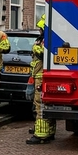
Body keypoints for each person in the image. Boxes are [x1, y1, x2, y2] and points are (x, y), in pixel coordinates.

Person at [26, 15, 56, 145]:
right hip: (39, 75)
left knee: (40, 105)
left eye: (40, 28)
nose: (39, 31)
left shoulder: (45, 42)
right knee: (47, 104)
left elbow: (45, 55)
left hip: (41, 76)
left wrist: (36, 48)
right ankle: (48, 131)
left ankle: (41, 134)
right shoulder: (45, 40)